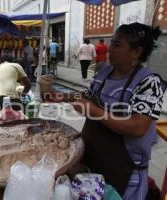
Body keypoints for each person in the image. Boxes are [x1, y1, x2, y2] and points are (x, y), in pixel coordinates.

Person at [47, 22, 164, 200]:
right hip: (91, 157)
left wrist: (93, 110)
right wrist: (62, 97)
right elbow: (87, 96)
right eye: (111, 44)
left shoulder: (148, 82)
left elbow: (138, 127)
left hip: (122, 171)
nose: (110, 50)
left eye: (117, 45)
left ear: (137, 52)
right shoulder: (104, 72)